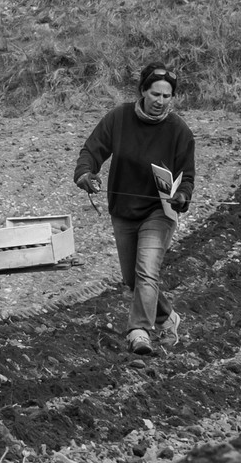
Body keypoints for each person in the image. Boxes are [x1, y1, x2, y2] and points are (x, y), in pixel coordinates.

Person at [74, 62, 196, 354]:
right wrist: (85, 175)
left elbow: (187, 176)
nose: (160, 102)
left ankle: (139, 331)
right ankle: (168, 317)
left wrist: (182, 196)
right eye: (155, 94)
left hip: (159, 212)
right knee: (132, 278)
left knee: (146, 273)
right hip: (124, 210)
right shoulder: (119, 118)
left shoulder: (179, 130)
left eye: (167, 97)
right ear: (142, 91)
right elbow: (92, 150)